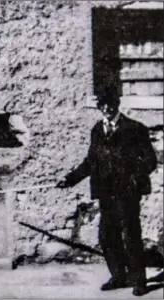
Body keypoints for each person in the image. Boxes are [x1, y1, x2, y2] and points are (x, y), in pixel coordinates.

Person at [56, 89, 157, 297]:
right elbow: (90, 163)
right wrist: (69, 179)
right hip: (106, 193)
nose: (108, 109)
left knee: (131, 236)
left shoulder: (135, 129)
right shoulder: (97, 130)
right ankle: (119, 276)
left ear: (118, 104)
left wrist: (132, 179)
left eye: (111, 104)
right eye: (103, 104)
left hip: (127, 193)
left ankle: (139, 281)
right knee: (107, 236)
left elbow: (149, 161)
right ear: (99, 106)